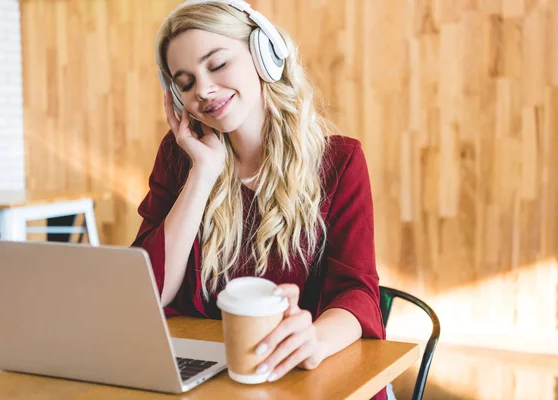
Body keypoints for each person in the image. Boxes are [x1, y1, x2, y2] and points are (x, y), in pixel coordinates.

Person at [132, 1, 386, 398]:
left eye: (217, 65)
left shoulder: (340, 160)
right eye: (184, 82)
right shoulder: (180, 157)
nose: (203, 90)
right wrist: (202, 173)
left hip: (306, 377)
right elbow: (148, 292)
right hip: (213, 381)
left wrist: (315, 339)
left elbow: (357, 291)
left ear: (264, 55)